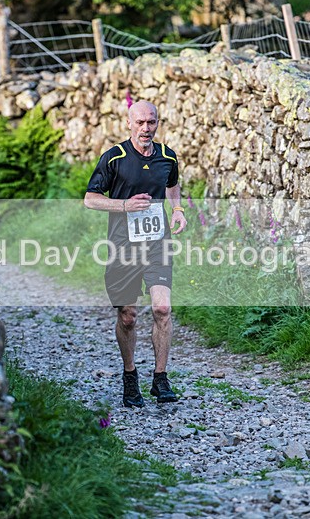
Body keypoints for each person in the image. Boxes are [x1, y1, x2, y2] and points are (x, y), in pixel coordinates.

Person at [84, 100, 187, 408]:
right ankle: (130, 377)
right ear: (129, 123)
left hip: (157, 243)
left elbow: (172, 183)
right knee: (128, 315)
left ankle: (160, 378)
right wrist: (125, 205)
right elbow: (90, 199)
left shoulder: (167, 156)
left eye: (151, 122)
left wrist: (178, 209)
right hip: (122, 247)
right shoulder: (113, 158)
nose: (146, 128)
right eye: (140, 122)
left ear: (157, 123)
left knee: (162, 308)